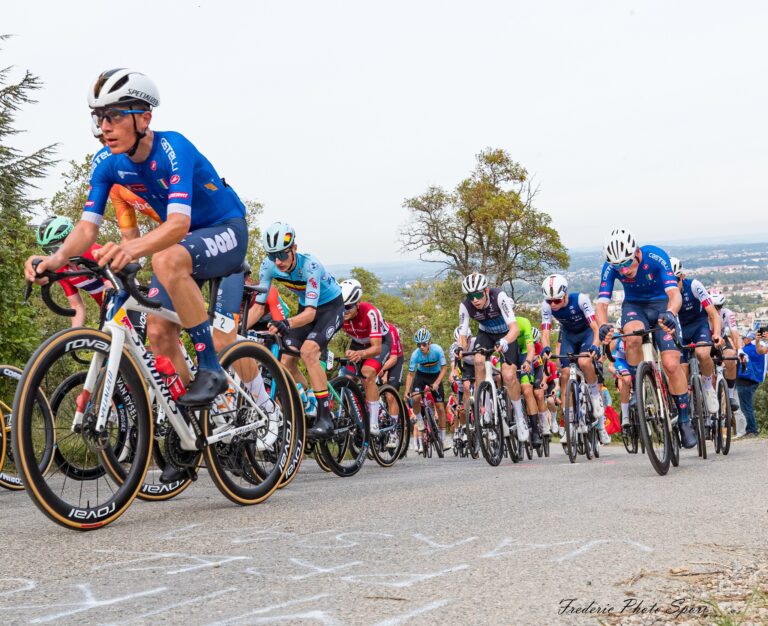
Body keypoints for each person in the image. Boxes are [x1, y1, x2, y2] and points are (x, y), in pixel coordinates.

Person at [25, 69, 248, 405]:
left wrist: (130, 248)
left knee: (165, 257)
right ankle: (198, 420)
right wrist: (55, 261)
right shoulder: (106, 163)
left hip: (224, 227)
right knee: (158, 334)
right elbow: (87, 229)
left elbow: (175, 225)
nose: (105, 127)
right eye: (99, 118)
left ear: (144, 118)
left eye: (114, 116)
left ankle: (211, 367)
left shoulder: (174, 147)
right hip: (184, 240)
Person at [595, 228, 697, 449]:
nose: (623, 270)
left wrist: (670, 313)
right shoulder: (611, 267)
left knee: (671, 364)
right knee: (631, 338)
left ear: (637, 253)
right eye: (617, 266)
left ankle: (684, 420)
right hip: (635, 307)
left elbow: (674, 294)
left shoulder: (655, 256)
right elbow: (601, 304)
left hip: (662, 304)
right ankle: (637, 388)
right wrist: (603, 325)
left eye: (626, 263)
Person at [250, 222, 343, 439]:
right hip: (306, 309)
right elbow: (258, 307)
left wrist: (286, 323)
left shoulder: (311, 266)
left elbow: (311, 314)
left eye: (283, 254)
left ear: (294, 248)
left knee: (309, 352)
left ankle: (325, 416)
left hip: (329, 307)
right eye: (273, 256)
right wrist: (235, 331)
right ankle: (307, 402)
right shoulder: (269, 265)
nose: (278, 261)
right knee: (285, 361)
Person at [456, 272, 529, 442]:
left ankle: (520, 418)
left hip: (507, 334)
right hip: (486, 334)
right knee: (479, 360)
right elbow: (463, 332)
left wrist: (504, 342)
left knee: (509, 375)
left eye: (478, 294)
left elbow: (515, 329)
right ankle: (486, 408)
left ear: (486, 291)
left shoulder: (499, 297)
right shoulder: (466, 306)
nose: (474, 299)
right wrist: (460, 347)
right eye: (470, 296)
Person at [540, 273, 609, 444]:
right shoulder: (546, 306)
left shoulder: (580, 299)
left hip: (586, 334)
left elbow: (595, 327)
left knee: (584, 362)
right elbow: (546, 331)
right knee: (564, 374)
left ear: (565, 294)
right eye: (550, 301)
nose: (553, 305)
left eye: (557, 300)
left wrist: (595, 345)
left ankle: (593, 394)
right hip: (569, 336)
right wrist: (546, 348)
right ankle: (569, 422)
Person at [338, 279, 395, 443]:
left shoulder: (370, 312)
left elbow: (376, 348)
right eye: (342, 307)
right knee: (346, 378)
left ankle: (374, 423)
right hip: (358, 342)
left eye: (348, 307)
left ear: (357, 303)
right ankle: (356, 414)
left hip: (380, 344)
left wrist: (361, 354)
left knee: (367, 373)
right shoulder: (340, 314)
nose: (344, 311)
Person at [668, 257, 722, 414]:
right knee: (681, 371)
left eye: (676, 280)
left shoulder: (694, 286)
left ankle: (707, 385)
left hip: (699, 326)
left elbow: (713, 314)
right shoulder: (664, 293)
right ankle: (685, 410)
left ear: (682, 276)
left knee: (702, 352)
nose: (673, 286)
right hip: (679, 331)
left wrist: (717, 334)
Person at [35, 216, 107, 326]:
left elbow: (112, 287)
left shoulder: (93, 252)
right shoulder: (60, 270)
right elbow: (76, 305)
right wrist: (73, 335)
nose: (54, 255)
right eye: (47, 250)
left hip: (128, 296)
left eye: (55, 248)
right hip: (107, 308)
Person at [404, 327, 449, 446]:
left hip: (435, 375)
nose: (421, 347)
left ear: (429, 342)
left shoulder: (437, 350)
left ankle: (443, 440)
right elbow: (410, 374)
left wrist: (437, 383)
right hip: (421, 375)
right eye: (419, 345)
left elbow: (444, 368)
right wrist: (407, 391)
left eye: (424, 344)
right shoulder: (415, 355)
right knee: (415, 398)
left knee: (440, 407)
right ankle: (419, 420)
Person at [709, 288, 748, 411]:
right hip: (705, 339)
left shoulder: (727, 313)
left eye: (719, 306)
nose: (716, 310)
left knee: (731, 356)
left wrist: (740, 350)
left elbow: (735, 333)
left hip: (721, 339)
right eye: (713, 306)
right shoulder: (700, 313)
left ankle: (730, 396)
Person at [736, 330, 767, 437]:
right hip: (754, 380)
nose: (743, 340)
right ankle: (751, 428)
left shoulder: (749, 348)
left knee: (746, 407)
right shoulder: (759, 347)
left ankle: (752, 429)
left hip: (746, 380)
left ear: (748, 339)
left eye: (744, 338)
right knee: (747, 406)